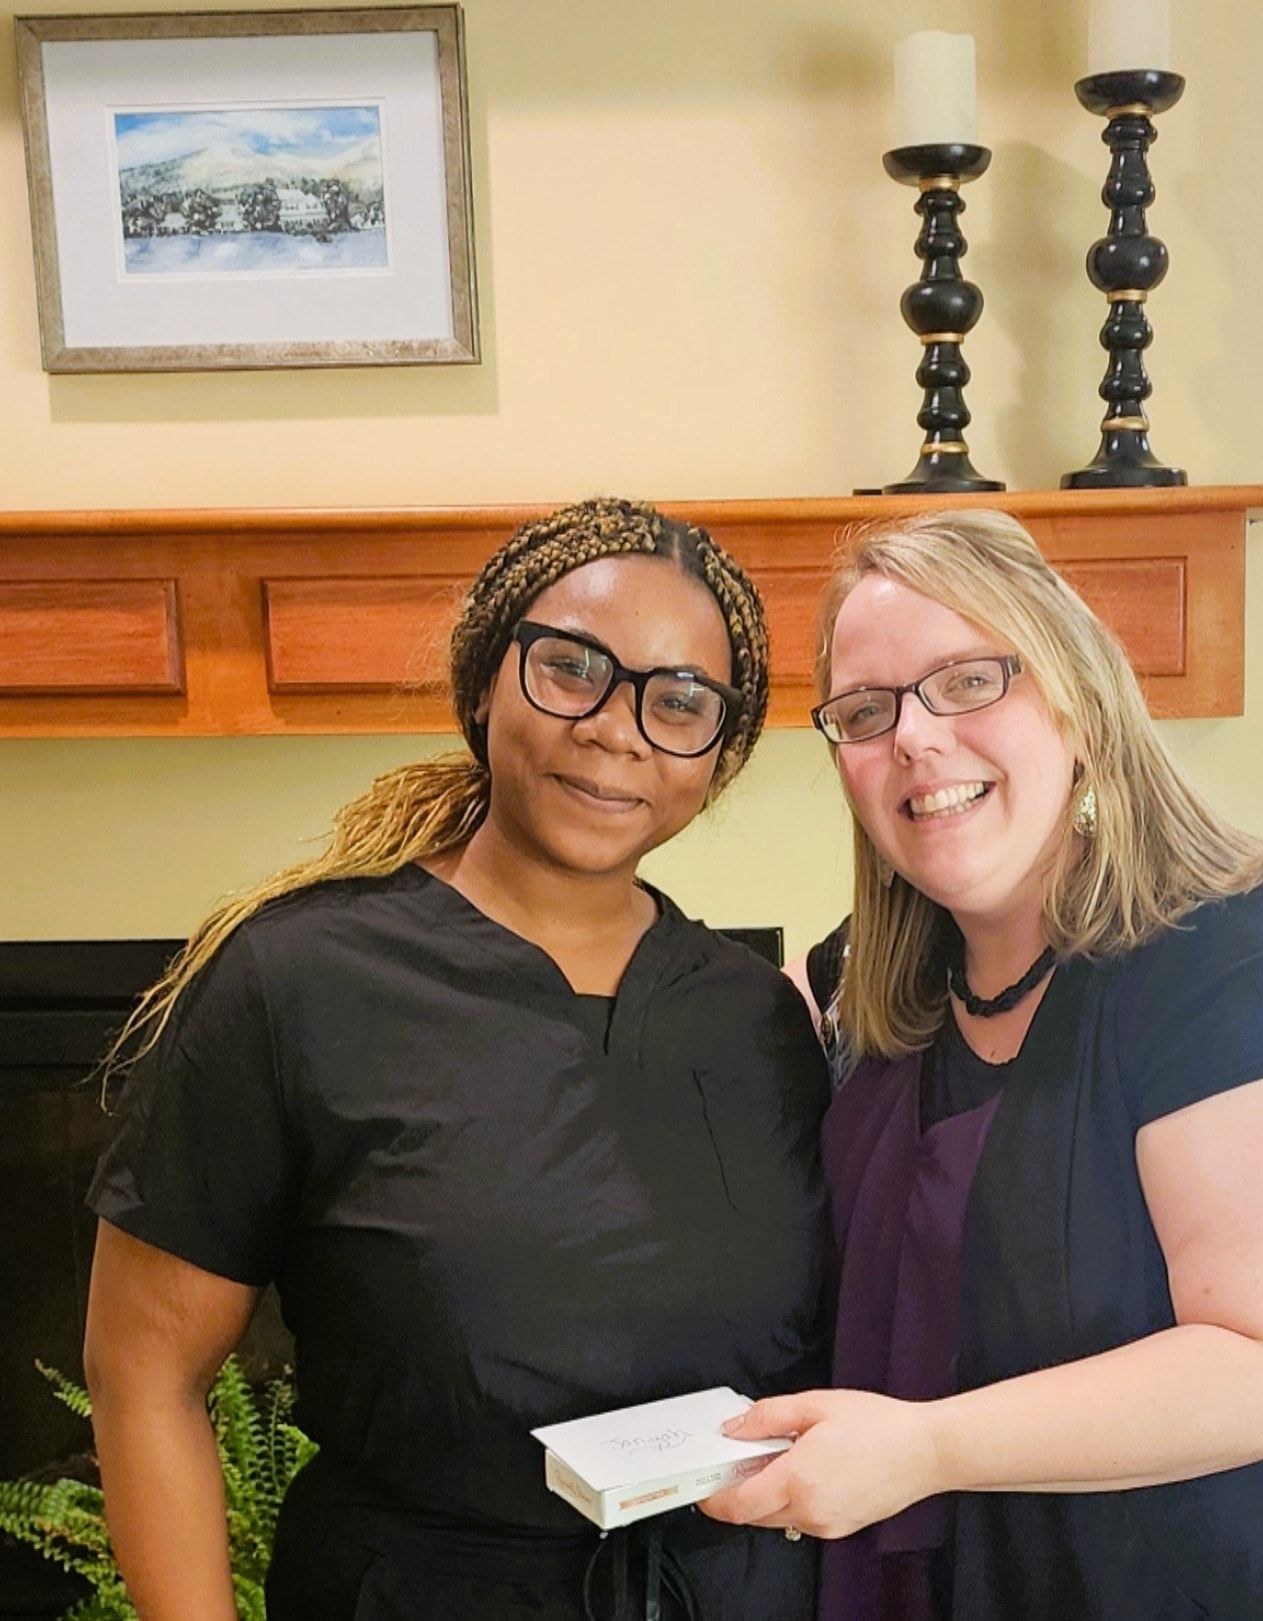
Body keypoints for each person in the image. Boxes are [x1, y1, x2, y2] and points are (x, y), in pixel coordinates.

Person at [704, 510, 1263, 1621]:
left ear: (1074, 698)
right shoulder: (865, 996)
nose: (913, 737)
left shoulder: (1238, 966)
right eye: (866, 711)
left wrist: (924, 1446)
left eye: (965, 679)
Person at [84, 498, 828, 1621]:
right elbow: (143, 1376)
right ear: (485, 679)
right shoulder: (297, 979)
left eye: (678, 701)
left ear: (714, 757)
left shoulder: (758, 1020)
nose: (615, 728)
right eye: (570, 667)